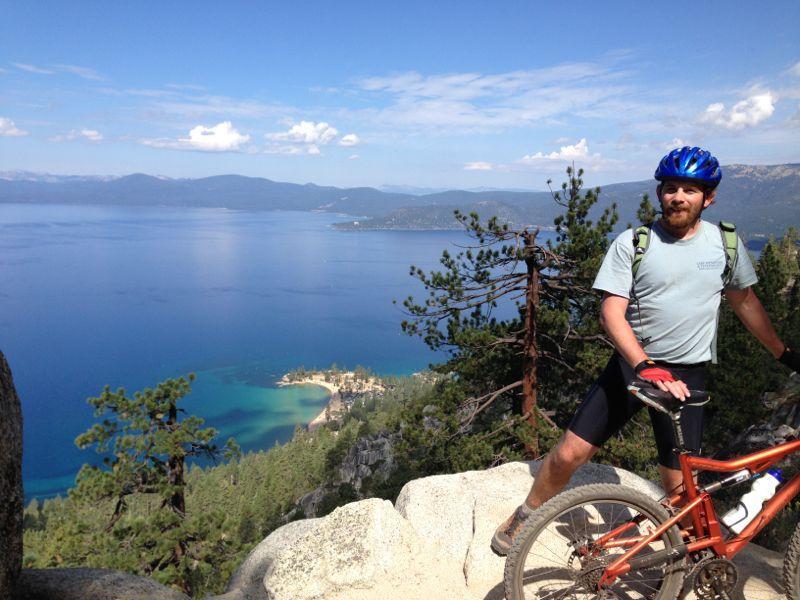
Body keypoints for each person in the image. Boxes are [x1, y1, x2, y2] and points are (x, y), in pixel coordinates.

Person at [491, 146, 800, 556]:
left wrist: (782, 352)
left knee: (677, 486)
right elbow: (612, 312)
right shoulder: (633, 243)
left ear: (708, 198)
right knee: (570, 453)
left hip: (688, 377)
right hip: (633, 368)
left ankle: (678, 556)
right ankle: (527, 513)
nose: (678, 196)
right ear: (660, 194)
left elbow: (745, 302)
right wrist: (645, 364)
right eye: (670, 188)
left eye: (690, 189)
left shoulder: (725, 244)